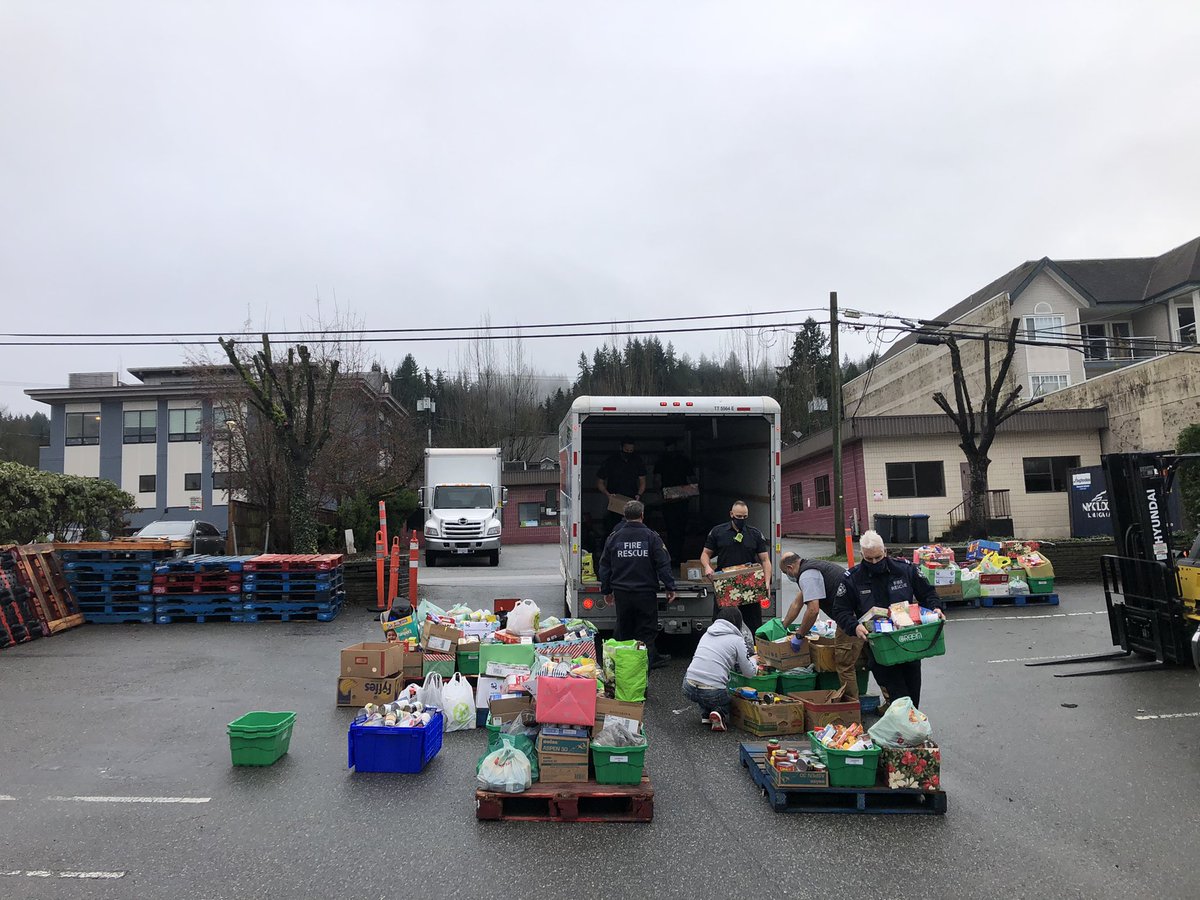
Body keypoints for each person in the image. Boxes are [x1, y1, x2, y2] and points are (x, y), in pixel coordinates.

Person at [830, 529, 944, 709]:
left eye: (878, 557)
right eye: (869, 559)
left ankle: (911, 728)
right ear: (862, 555)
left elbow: (928, 593)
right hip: (879, 645)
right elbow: (840, 610)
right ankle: (907, 730)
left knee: (913, 693)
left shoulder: (904, 570)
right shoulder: (852, 578)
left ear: (885, 552)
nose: (874, 562)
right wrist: (855, 627)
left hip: (909, 641)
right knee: (898, 695)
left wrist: (936, 608)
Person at [599, 500, 677, 669]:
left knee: (624, 633)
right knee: (646, 634)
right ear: (642, 515)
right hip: (645, 594)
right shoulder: (651, 537)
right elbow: (663, 564)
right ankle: (642, 673)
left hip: (622, 594)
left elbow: (605, 566)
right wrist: (670, 587)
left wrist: (606, 590)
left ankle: (622, 671)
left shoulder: (614, 537)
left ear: (624, 516)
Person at [779, 551, 866, 701]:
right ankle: (890, 700)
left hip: (850, 618)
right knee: (872, 657)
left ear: (789, 567)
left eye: (785, 572)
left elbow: (813, 610)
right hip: (863, 610)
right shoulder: (812, 567)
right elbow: (797, 603)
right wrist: (782, 627)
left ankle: (851, 706)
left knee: (844, 662)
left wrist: (799, 635)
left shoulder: (807, 575)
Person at [700, 500, 772, 634]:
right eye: (739, 517)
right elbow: (705, 554)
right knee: (722, 625)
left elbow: (765, 560)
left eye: (745, 517)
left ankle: (752, 653)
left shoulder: (754, 534)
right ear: (731, 514)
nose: (742, 520)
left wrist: (766, 582)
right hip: (726, 586)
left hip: (749, 586)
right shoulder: (718, 532)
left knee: (753, 626)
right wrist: (707, 567)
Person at [682, 606, 757, 732]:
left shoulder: (707, 633)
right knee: (733, 695)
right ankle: (719, 712)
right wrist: (754, 660)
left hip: (688, 686)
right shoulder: (737, 640)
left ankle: (706, 714)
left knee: (704, 684)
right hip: (712, 693)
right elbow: (748, 673)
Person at [596, 437, 646, 551]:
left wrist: (639, 494)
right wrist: (608, 495)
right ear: (621, 448)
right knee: (612, 529)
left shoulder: (637, 461)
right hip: (615, 501)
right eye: (626, 450)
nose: (628, 453)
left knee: (634, 529)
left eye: (631, 451)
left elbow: (643, 482)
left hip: (632, 501)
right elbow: (600, 482)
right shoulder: (611, 461)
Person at [656, 438, 695, 566]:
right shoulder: (666, 460)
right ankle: (675, 555)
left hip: (675, 498)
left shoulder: (665, 460)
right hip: (674, 499)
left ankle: (675, 555)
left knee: (675, 528)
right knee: (675, 528)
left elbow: (656, 480)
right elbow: (692, 479)